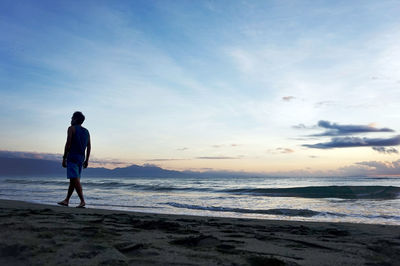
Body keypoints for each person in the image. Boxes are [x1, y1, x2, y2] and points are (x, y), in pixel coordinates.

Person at [58, 111, 91, 208]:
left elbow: (68, 144)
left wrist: (64, 158)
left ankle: (82, 201)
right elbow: (89, 147)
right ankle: (66, 200)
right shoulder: (86, 131)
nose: (71, 120)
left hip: (72, 157)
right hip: (81, 158)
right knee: (73, 180)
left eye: (72, 118)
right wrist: (87, 160)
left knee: (75, 180)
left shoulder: (71, 129)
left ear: (75, 119)